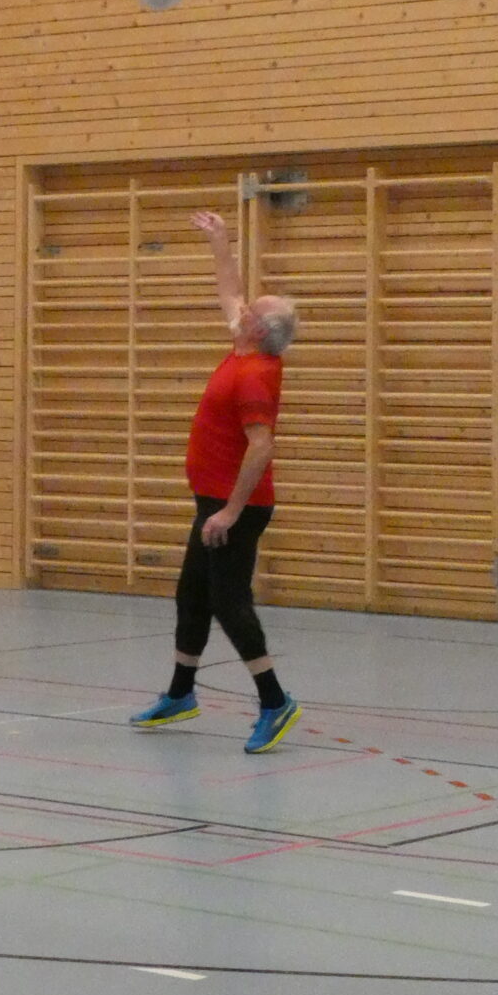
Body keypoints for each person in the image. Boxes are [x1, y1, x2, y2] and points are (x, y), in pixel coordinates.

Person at [131, 209, 302, 754]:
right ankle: (181, 693)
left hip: (236, 508)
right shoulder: (245, 345)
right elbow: (229, 290)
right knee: (192, 594)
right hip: (213, 501)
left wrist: (229, 512)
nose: (244, 306)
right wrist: (220, 241)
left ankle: (275, 701)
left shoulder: (254, 376)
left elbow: (262, 446)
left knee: (229, 602)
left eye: (253, 309)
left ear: (260, 330)